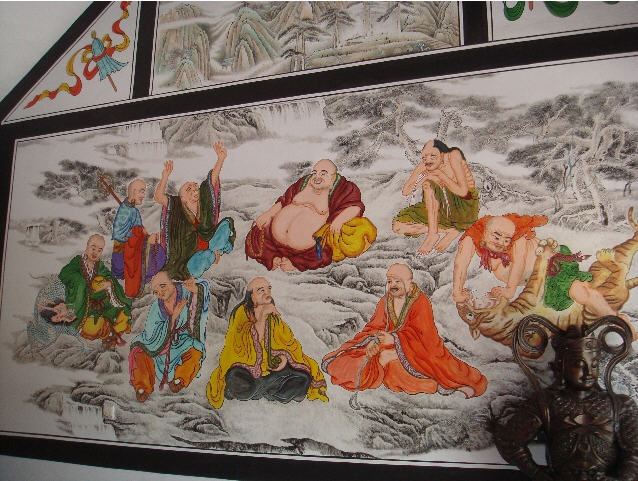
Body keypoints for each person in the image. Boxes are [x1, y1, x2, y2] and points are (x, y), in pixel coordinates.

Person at [494, 323, 638, 480]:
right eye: (579, 365)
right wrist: (539, 475)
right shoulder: (546, 403)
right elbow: (510, 443)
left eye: (594, 365)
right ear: (561, 366)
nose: (589, 372)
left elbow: (635, 452)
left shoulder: (620, 405)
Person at [322, 263, 487, 398]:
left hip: (419, 351)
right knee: (349, 361)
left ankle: (433, 384)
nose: (393, 285)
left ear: (409, 283)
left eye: (397, 281)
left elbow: (424, 336)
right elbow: (375, 326)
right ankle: (381, 363)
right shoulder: (386, 301)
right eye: (390, 281)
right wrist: (374, 341)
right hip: (388, 345)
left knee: (394, 371)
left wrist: (394, 339)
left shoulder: (420, 302)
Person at [453, 213, 624, 321]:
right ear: (485, 232)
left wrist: (509, 290)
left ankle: (617, 320)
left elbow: (519, 262)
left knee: (578, 290)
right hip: (536, 284)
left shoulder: (516, 234)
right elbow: (461, 263)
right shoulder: (473, 236)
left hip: (552, 267)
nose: (501, 243)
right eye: (496, 237)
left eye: (506, 240)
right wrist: (457, 291)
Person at [207, 277, 328, 408]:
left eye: (269, 289)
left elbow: (288, 342)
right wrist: (261, 319)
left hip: (273, 370)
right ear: (251, 295)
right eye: (261, 290)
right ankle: (268, 390)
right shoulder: (242, 312)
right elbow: (238, 346)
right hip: (248, 367)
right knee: (236, 379)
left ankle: (263, 389)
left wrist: (284, 359)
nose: (267, 293)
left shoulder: (272, 312)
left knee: (304, 378)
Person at [245, 159, 376, 272]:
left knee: (322, 254)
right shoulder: (304, 183)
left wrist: (339, 221)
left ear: (333, 177)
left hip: (308, 248)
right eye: (315, 172)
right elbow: (284, 201)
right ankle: (273, 256)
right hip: (276, 239)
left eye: (323, 173)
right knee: (257, 232)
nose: (317, 177)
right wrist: (268, 213)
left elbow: (355, 206)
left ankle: (296, 262)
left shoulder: (343, 188)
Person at [154, 141, 236, 281]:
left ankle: (216, 250)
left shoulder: (203, 201)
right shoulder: (177, 207)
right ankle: (209, 258)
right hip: (192, 255)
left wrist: (220, 159)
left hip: (211, 242)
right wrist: (165, 177)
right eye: (189, 189)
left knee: (227, 223)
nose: (194, 189)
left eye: (195, 186)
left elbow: (212, 180)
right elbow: (158, 197)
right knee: (201, 260)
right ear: (183, 198)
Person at [129, 271, 210, 402]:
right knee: (138, 350)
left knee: (195, 351)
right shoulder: (157, 307)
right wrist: (172, 318)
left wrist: (195, 291)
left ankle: (180, 378)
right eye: (156, 291)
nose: (160, 293)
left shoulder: (186, 292)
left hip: (182, 341)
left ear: (172, 281)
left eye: (163, 286)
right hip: (160, 346)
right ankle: (143, 385)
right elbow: (151, 334)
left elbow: (201, 298)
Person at [393, 140, 479, 255]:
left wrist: (439, 175)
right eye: (424, 157)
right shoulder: (426, 164)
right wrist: (423, 178)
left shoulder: (453, 155)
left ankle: (433, 234)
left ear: (442, 154)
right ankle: (451, 230)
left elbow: (463, 192)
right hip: (439, 208)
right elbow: (406, 191)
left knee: (428, 185)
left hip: (464, 207)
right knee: (398, 226)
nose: (428, 160)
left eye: (432, 155)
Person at [52, 234, 131, 347]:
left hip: (101, 306)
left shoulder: (99, 266)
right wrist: (80, 282)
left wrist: (108, 284)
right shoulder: (77, 262)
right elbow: (64, 274)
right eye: (93, 248)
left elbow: (110, 278)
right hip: (83, 308)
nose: (95, 253)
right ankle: (110, 332)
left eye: (99, 250)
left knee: (123, 312)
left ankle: (112, 332)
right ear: (87, 246)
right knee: (92, 327)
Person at [111, 178, 166, 298]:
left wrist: (146, 235)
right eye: (141, 191)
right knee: (158, 253)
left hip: (135, 247)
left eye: (144, 191)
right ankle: (144, 279)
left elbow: (139, 229)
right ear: (133, 192)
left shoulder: (132, 210)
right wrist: (146, 240)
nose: (143, 195)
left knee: (159, 251)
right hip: (126, 254)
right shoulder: (125, 212)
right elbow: (121, 235)